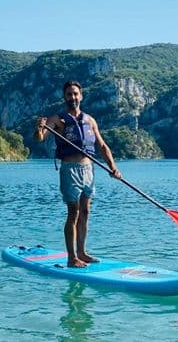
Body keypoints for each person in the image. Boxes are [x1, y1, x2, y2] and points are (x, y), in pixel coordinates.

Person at [34, 80, 122, 268]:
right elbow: (40, 138)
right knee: (73, 213)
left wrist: (113, 167)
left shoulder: (90, 120)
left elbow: (102, 146)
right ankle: (72, 257)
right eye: (69, 94)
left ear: (80, 96)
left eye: (75, 94)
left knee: (86, 211)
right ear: (64, 97)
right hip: (70, 170)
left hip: (89, 170)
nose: (72, 97)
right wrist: (39, 127)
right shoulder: (57, 119)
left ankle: (82, 252)